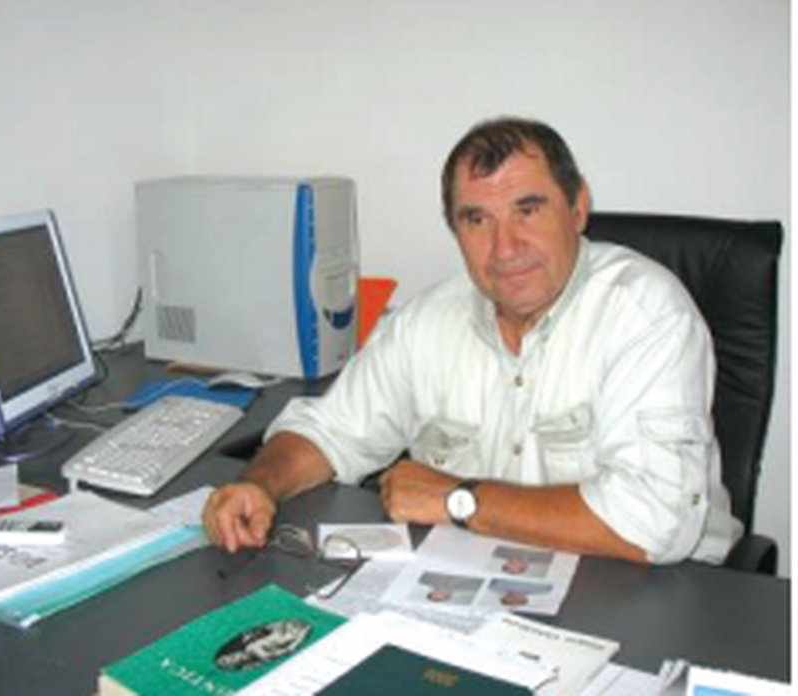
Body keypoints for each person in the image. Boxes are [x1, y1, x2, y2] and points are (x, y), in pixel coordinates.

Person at [203, 116, 742, 565]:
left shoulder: (644, 312)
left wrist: (459, 500)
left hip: (661, 593)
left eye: (528, 210)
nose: (505, 247)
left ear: (578, 207)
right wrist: (261, 484)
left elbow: (652, 522)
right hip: (484, 580)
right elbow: (330, 431)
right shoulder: (427, 321)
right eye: (477, 219)